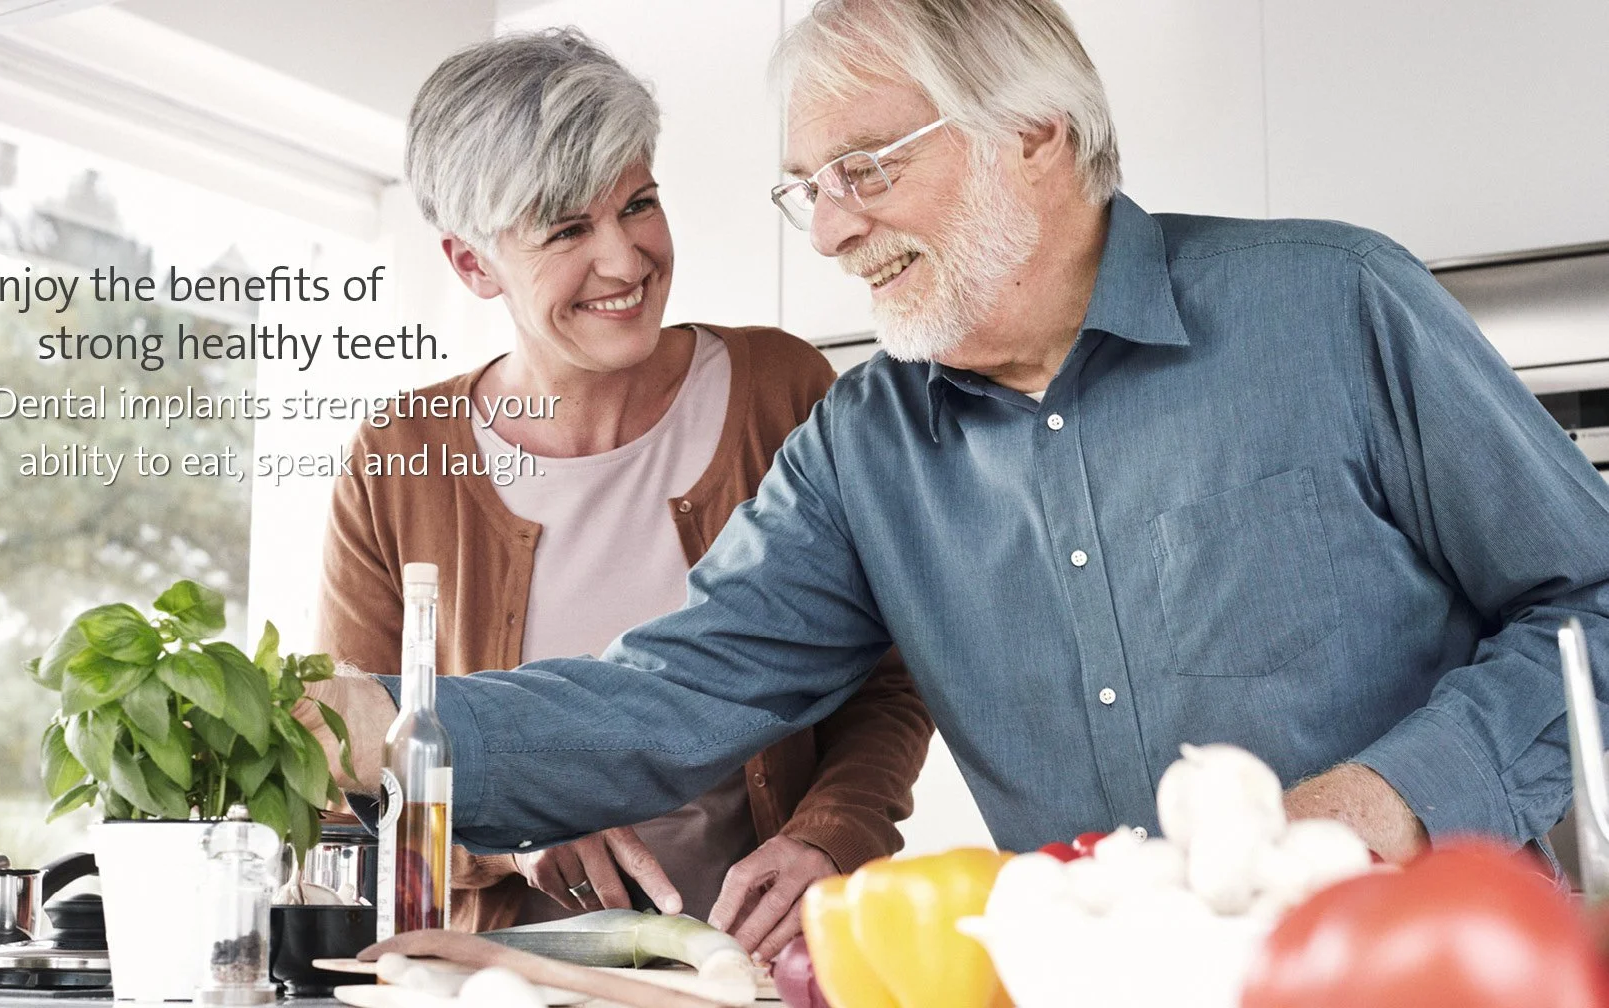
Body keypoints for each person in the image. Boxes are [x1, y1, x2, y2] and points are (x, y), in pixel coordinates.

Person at [304, 0, 1609, 876]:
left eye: (863, 170)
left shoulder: (1329, 304)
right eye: (804, 189)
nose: (824, 232)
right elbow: (674, 695)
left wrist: (1395, 795)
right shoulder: (860, 445)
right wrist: (382, 730)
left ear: (1034, 133)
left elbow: (1592, 603)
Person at [312, 28, 931, 957]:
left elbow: (889, 672)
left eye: (638, 203)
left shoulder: (781, 390)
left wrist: (827, 836)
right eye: (567, 230)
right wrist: (516, 830)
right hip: (502, 974)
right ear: (473, 264)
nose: (626, 258)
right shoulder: (395, 459)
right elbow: (345, 764)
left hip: (759, 967)